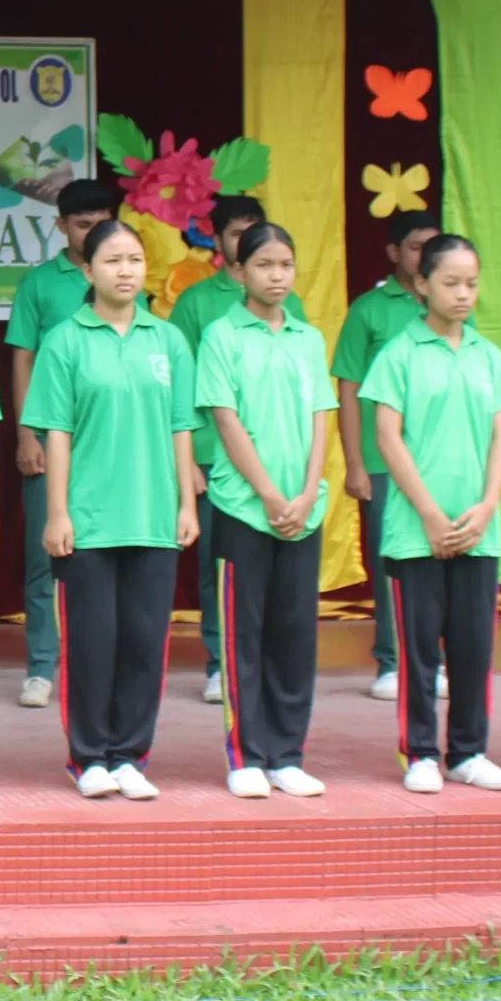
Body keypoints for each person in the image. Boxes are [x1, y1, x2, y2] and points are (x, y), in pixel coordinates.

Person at [21, 218, 200, 802]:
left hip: (153, 517)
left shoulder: (167, 340)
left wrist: (186, 502)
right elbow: (57, 433)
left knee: (145, 642)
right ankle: (89, 756)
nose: (126, 271)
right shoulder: (65, 340)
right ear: (88, 270)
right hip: (89, 520)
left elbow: (180, 427)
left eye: (134, 260)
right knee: (92, 644)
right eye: (113, 260)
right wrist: (57, 513)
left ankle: (130, 755)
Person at [364, 233, 501, 795]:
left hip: (477, 528)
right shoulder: (399, 354)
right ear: (422, 284)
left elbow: (500, 436)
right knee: (420, 649)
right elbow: (388, 437)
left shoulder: (488, 355)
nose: (463, 294)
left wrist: (489, 504)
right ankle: (421, 752)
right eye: (451, 283)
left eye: (471, 283)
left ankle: (469, 752)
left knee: (474, 648)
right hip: (415, 531)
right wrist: (428, 513)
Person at [191, 221, 331, 801]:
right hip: (244, 508)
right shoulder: (222, 336)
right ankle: (247, 755)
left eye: (286, 265)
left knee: (294, 634)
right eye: (265, 265)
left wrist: (308, 492)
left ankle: (287, 755)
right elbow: (226, 420)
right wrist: (272, 495)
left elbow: (321, 418)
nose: (278, 276)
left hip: (304, 511)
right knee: (243, 634)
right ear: (238, 271)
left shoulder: (308, 338)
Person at [170, 194, 307, 707]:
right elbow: (181, 386)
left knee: (280, 574)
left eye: (283, 263)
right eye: (235, 233)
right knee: (219, 567)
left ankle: (269, 667)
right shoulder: (196, 304)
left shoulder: (293, 311)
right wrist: (187, 460)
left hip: (280, 458)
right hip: (213, 455)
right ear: (222, 242)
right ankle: (218, 662)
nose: (275, 274)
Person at [3, 179, 116, 712]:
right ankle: (41, 667)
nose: (93, 233)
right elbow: (22, 358)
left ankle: (95, 663)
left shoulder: (125, 277)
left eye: (102, 223)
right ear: (61, 226)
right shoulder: (39, 284)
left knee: (107, 553)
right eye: (82, 224)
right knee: (44, 557)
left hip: (107, 443)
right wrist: (27, 433)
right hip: (50, 440)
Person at [332, 209, 440, 703]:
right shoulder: (369, 311)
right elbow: (348, 389)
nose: (426, 256)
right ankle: (392, 661)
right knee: (392, 559)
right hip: (382, 460)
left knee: (440, 560)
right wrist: (355, 462)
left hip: (439, 459)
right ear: (395, 253)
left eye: (434, 246)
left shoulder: (450, 306)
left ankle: (433, 660)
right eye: (417, 247)